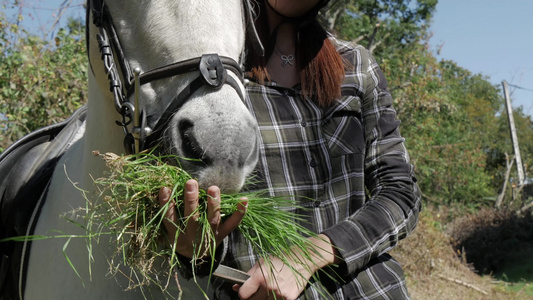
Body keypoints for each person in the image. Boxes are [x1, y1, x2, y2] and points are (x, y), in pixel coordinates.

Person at [158, 0, 421, 299]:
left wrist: (310, 255)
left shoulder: (356, 65)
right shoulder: (213, 80)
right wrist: (194, 252)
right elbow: (195, 239)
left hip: (375, 291)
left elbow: (401, 193)